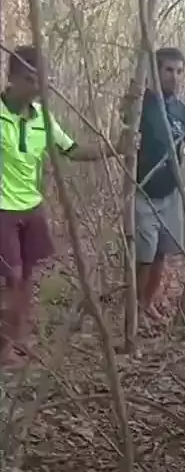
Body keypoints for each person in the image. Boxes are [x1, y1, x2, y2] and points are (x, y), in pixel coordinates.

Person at [0, 45, 130, 367]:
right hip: (2, 209)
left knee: (27, 277)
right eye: (30, 79)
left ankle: (17, 337)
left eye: (41, 80)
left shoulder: (43, 117)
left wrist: (115, 148)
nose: (37, 87)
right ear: (12, 77)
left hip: (31, 206)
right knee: (12, 276)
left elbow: (72, 150)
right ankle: (3, 347)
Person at [124, 47, 185, 321]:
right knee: (144, 256)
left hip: (171, 193)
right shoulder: (142, 104)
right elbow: (125, 118)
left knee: (161, 253)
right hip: (143, 191)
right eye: (168, 70)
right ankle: (134, 311)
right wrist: (133, 94)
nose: (174, 76)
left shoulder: (181, 111)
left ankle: (147, 303)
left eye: (179, 71)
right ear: (156, 72)